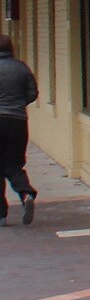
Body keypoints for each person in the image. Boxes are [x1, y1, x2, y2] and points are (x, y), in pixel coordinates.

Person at [0, 33, 40, 227]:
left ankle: (1, 215)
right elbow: (33, 93)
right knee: (14, 164)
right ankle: (25, 194)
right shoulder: (22, 68)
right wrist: (18, 104)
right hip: (17, 121)